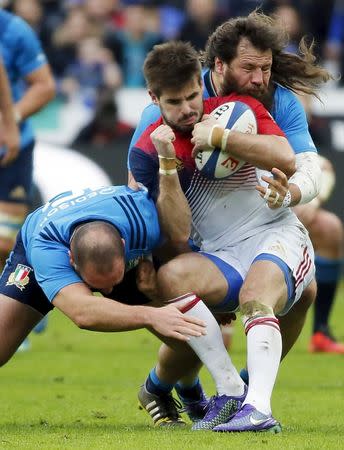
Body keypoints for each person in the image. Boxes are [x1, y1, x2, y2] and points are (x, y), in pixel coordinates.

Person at [129, 40, 315, 433]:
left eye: (193, 96)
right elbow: (176, 234)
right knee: (170, 280)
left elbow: (286, 157)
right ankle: (230, 391)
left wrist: (221, 138)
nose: (188, 110)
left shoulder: (238, 111)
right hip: (219, 253)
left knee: (256, 296)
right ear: (154, 99)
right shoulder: (148, 148)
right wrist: (166, 164)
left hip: (276, 235)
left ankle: (258, 409)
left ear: (202, 83)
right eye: (175, 102)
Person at [0, 184, 207, 373]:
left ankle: (162, 390)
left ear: (124, 245)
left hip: (127, 256)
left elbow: (182, 252)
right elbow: (82, 312)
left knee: (194, 341)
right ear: (71, 260)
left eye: (113, 284)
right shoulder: (46, 246)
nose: (108, 294)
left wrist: (208, 300)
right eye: (98, 286)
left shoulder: (145, 220)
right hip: (43, 254)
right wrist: (152, 315)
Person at [0, 8, 55, 271]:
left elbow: (45, 85)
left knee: (5, 244)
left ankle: (19, 307)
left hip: (10, 152)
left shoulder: (13, 30)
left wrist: (11, 119)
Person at [293, 155, 344, 353]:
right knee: (220, 340)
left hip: (285, 208)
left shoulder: (290, 131)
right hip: (240, 215)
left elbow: (325, 166)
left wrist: (312, 203)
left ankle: (320, 332)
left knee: (330, 227)